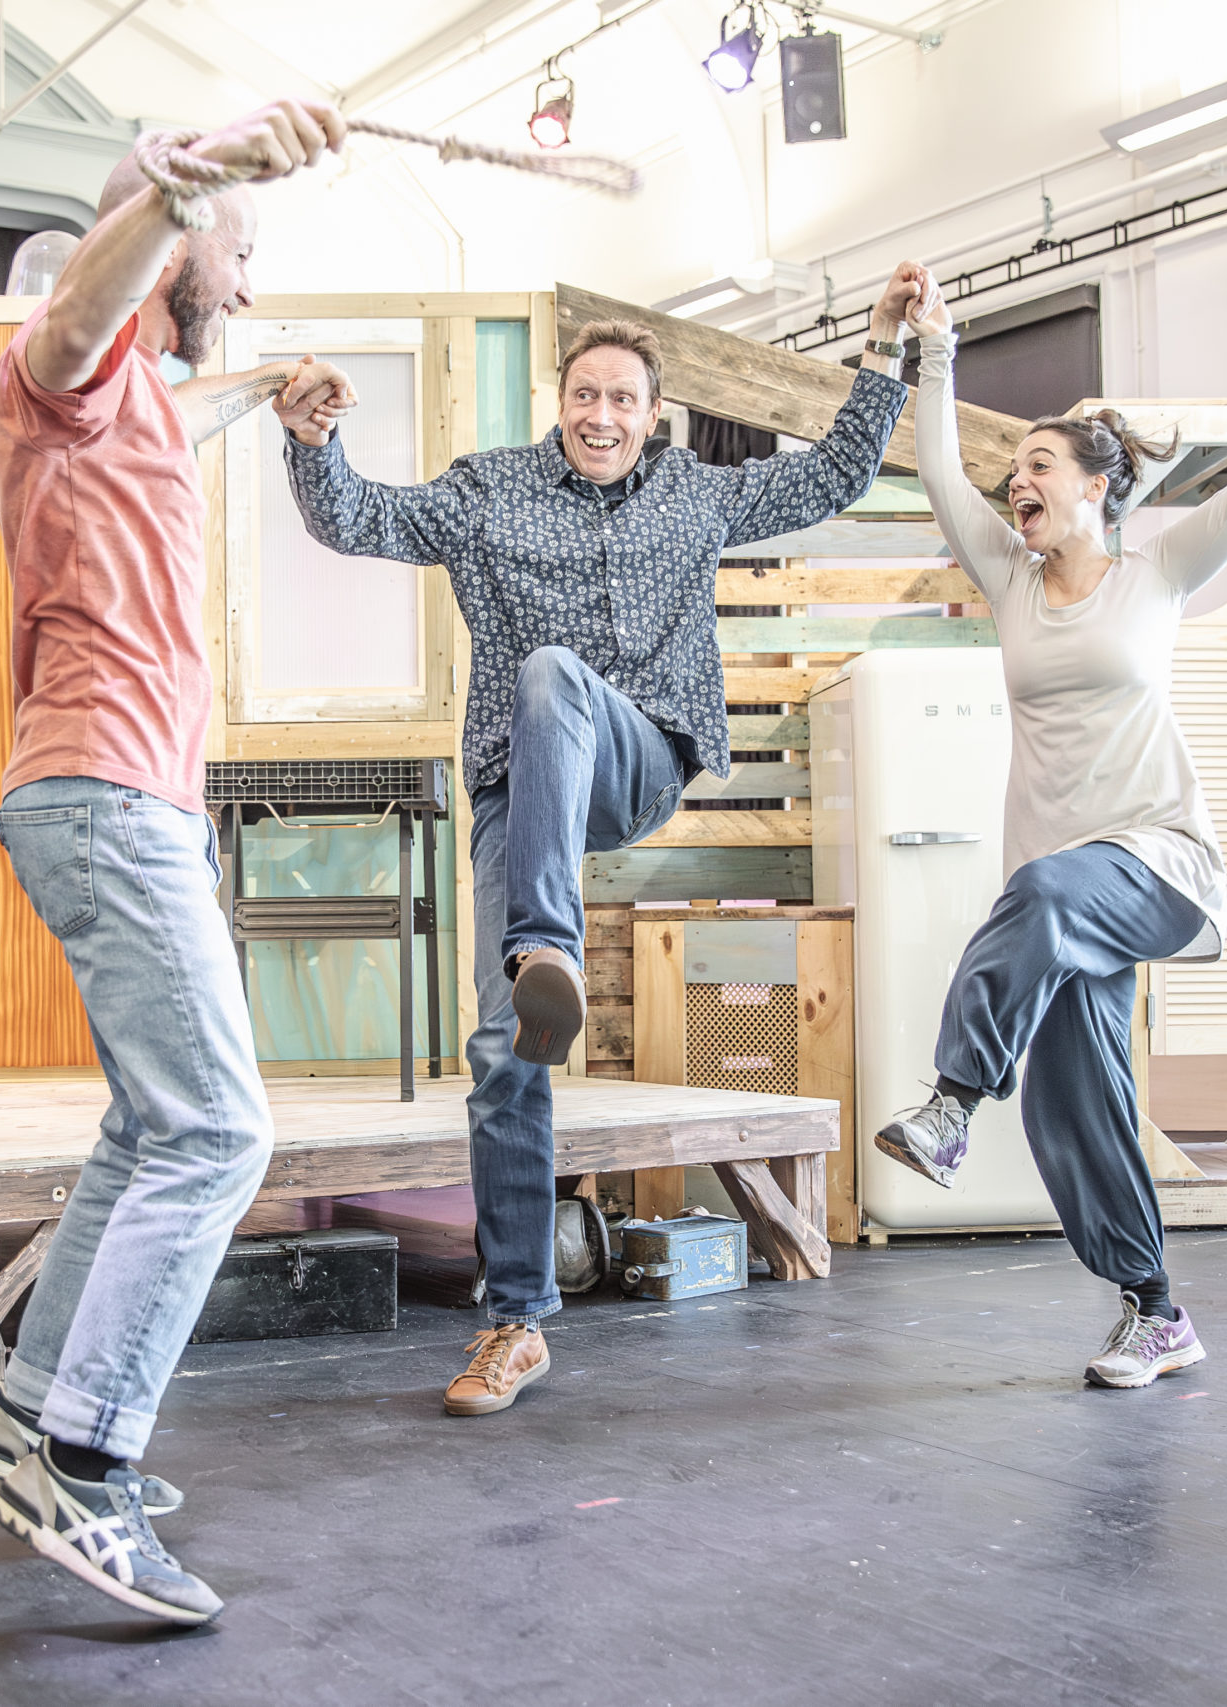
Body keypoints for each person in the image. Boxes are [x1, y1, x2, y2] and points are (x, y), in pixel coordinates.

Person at [283, 272, 929, 1417]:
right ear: (560, 400)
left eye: (622, 400)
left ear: (652, 412)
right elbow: (359, 518)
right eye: (584, 396)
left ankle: (547, 944)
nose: (600, 417)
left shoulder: (694, 495)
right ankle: (516, 1321)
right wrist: (315, 442)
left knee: (551, 676)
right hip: (514, 790)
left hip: (633, 762)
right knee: (500, 1047)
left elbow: (832, 473)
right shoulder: (489, 493)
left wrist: (882, 349)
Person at [0, 100, 359, 1626]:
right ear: (176, 236)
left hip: (127, 804)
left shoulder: (137, 406)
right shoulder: (58, 371)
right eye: (236, 254)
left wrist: (266, 386)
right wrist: (201, 174)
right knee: (220, 1132)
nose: (243, 283)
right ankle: (86, 1458)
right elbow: (81, 304)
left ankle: (30, 1402)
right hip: (105, 796)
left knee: (152, 1122)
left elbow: (189, 396)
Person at [874, 261, 1227, 1389]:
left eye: (1039, 464)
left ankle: (949, 1104)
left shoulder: (1158, 572)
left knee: (1041, 890)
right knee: (1073, 1107)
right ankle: (1156, 1310)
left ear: (1097, 488)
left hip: (1158, 862)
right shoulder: (1008, 577)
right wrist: (934, 345)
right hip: (1063, 901)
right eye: (1017, 469)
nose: (1016, 480)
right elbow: (940, 465)